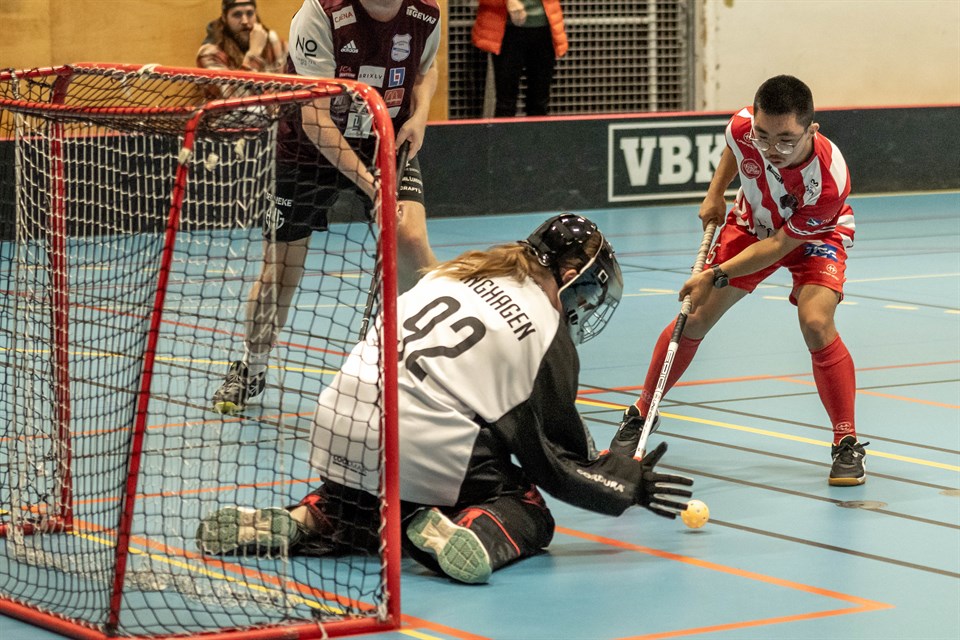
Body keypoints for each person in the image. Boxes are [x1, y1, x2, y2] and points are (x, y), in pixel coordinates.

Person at [197, 214, 695, 584]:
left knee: (383, 480)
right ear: (570, 277)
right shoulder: (546, 332)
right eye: (584, 295)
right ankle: (470, 531)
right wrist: (623, 484)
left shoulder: (456, 271)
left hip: (337, 424)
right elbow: (552, 462)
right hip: (417, 445)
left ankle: (319, 514)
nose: (581, 307)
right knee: (526, 508)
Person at [609, 75, 868, 486]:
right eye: (763, 137)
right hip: (752, 225)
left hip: (813, 237)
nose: (771, 149)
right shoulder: (744, 127)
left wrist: (715, 274)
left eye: (785, 140)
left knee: (816, 322)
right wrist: (715, 193)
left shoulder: (829, 179)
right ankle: (641, 412)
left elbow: (780, 245)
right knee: (694, 318)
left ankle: (846, 441)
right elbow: (736, 147)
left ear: (811, 130)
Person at [211, 0, 442, 414]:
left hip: (384, 141)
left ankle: (441, 370)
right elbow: (316, 120)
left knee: (410, 239)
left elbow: (427, 69)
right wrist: (372, 187)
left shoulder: (425, 11)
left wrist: (420, 115)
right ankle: (252, 365)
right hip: (306, 152)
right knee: (279, 272)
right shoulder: (320, 14)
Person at [472, 0, 567, 117]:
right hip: (506, 30)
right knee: (505, 104)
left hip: (545, 29)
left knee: (539, 103)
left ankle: (536, 130)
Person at [196, 0, 288, 74]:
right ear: (224, 18)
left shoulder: (277, 46)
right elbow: (235, 91)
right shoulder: (210, 55)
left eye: (250, 13)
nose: (245, 21)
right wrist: (254, 54)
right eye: (237, 15)